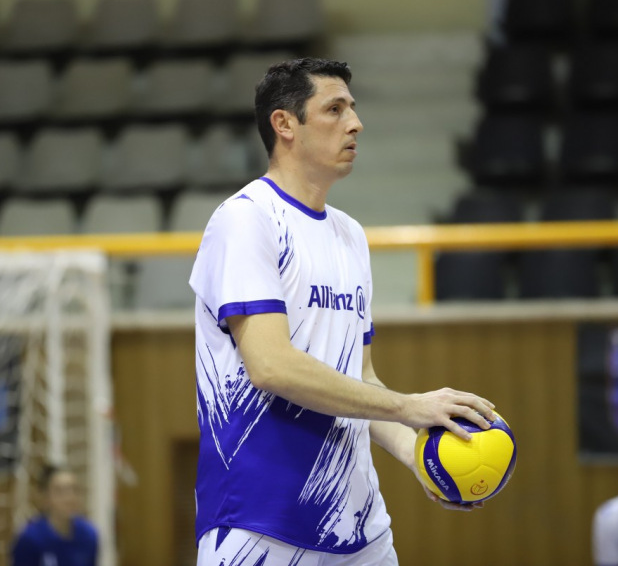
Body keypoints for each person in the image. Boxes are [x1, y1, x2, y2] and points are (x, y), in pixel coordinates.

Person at [188, 57, 497, 565]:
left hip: (360, 530)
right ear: (284, 124)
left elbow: (361, 379)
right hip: (258, 525)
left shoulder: (350, 235)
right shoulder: (245, 220)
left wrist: (422, 459)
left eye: (352, 108)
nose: (355, 123)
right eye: (335, 109)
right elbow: (271, 366)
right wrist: (409, 406)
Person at [11, 464, 99, 566]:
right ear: (45, 497)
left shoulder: (89, 535)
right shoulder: (29, 539)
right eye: (60, 491)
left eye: (74, 489)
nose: (69, 498)